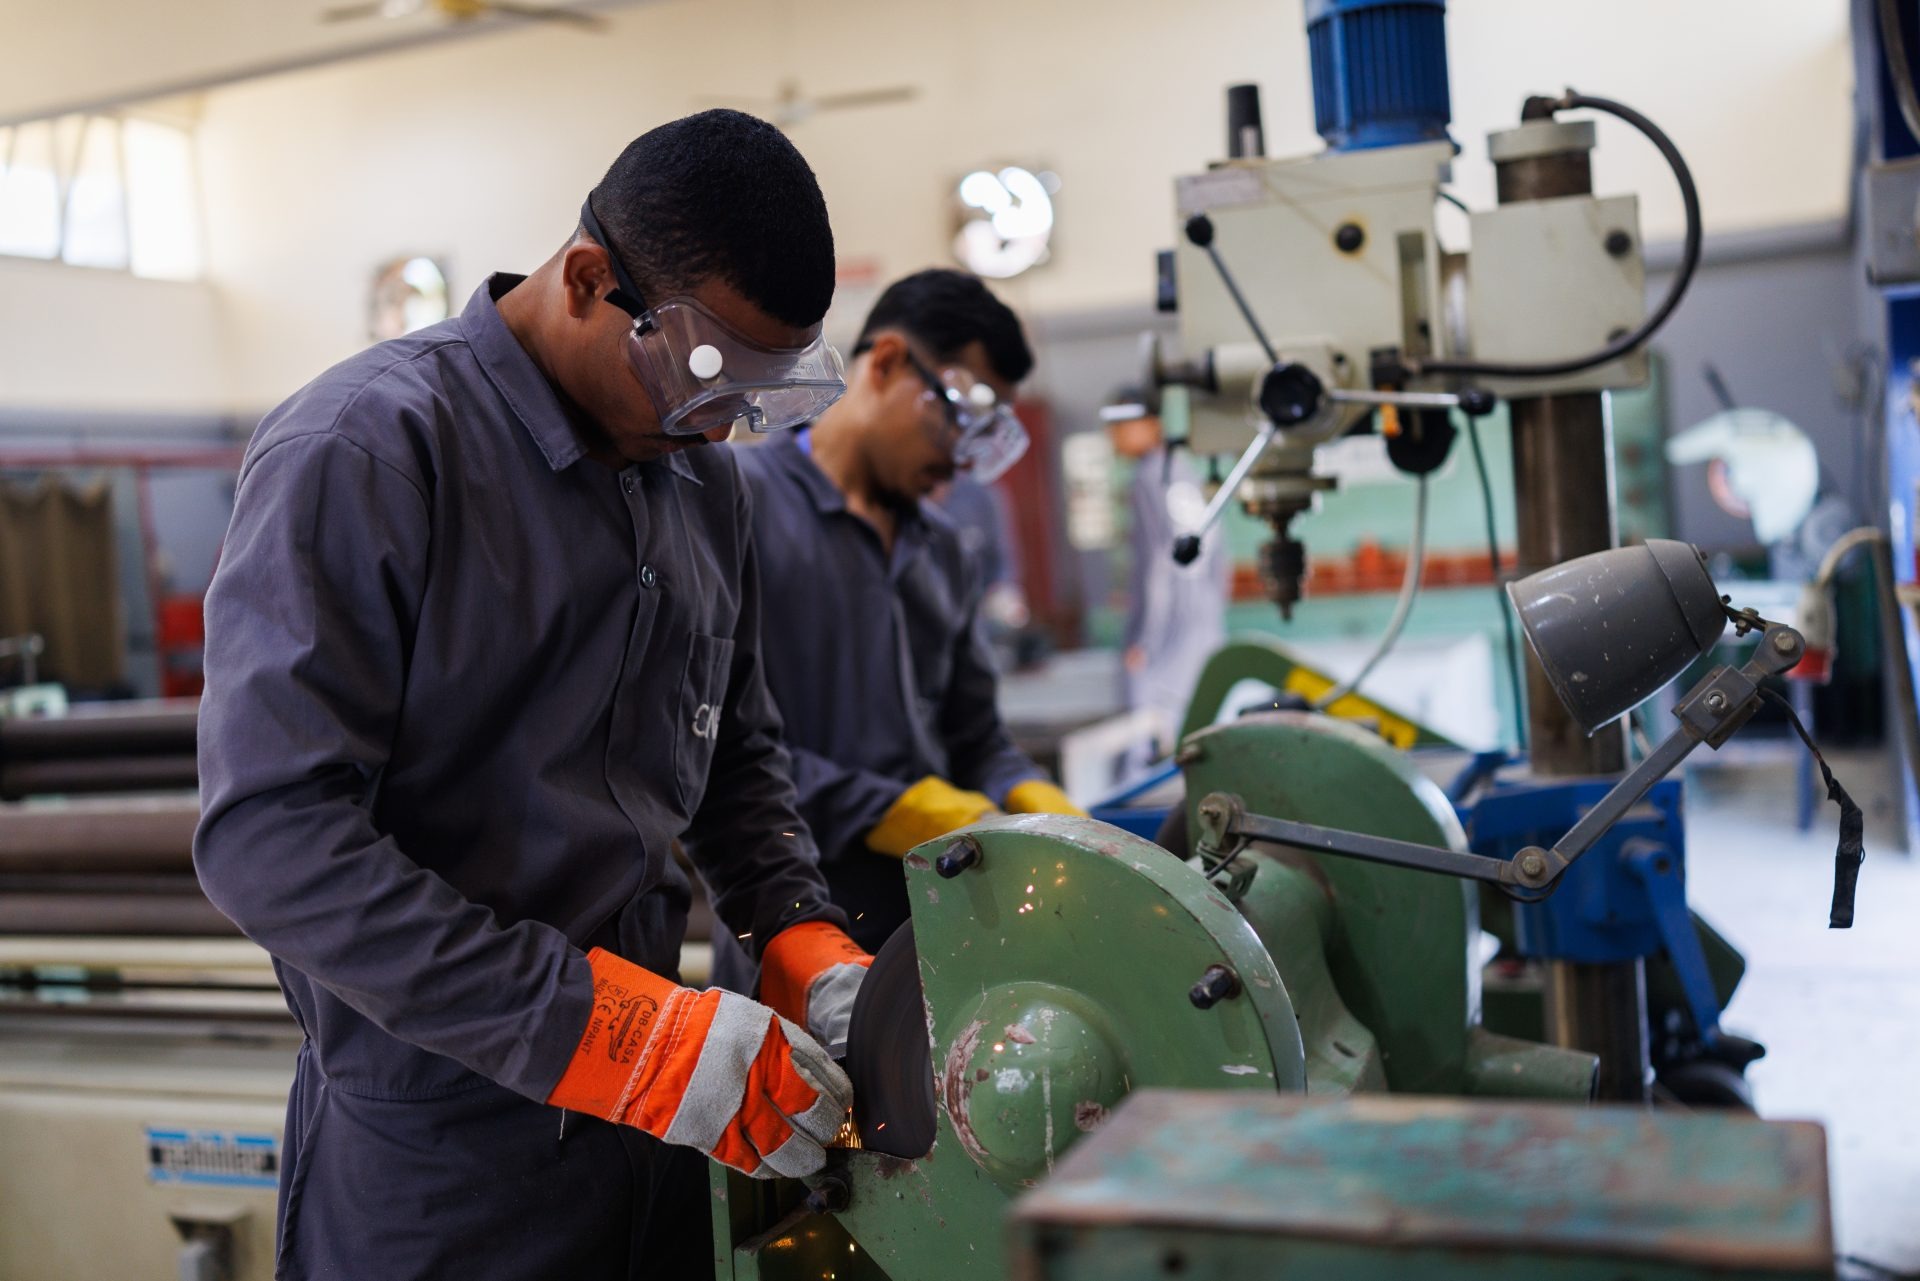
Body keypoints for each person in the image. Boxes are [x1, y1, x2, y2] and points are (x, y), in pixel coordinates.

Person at [192, 111, 874, 1279]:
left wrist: (793, 922)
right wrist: (607, 1035)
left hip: (662, 1141)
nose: (722, 425)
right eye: (706, 374)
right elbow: (270, 839)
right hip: (444, 1170)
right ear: (589, 281)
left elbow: (734, 752)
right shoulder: (367, 451)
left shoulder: (700, 484)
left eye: (760, 392)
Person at [711, 269, 1082, 988]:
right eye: (956, 414)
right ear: (884, 362)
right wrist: (888, 808)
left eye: (982, 433)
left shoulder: (942, 550)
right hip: (796, 938)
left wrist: (1028, 792)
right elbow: (715, 754)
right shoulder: (737, 507)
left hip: (946, 933)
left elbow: (976, 737)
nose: (959, 454)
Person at [1103, 389, 1231, 750]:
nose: (1113, 436)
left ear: (1152, 424)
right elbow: (1217, 558)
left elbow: (1159, 566)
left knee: (1152, 743)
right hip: (1202, 625)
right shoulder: (1182, 471)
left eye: (1121, 426)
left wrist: (1144, 641)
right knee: (1196, 735)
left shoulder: (1150, 477)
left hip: (1168, 636)